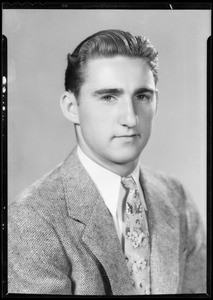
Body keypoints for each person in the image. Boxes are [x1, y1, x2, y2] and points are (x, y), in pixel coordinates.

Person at [8, 29, 206, 295]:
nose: (131, 118)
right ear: (71, 107)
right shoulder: (32, 217)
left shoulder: (176, 197)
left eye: (142, 96)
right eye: (108, 97)